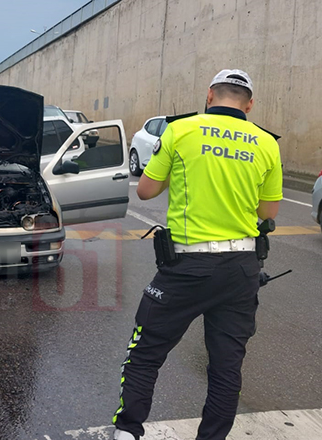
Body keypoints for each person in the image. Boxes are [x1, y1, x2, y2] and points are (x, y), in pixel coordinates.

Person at [112, 69, 283, 440]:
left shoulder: (180, 130)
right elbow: (268, 213)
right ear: (249, 104)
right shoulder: (266, 143)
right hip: (241, 268)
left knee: (146, 354)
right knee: (226, 367)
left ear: (209, 96)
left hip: (187, 267)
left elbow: (144, 191)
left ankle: (127, 433)